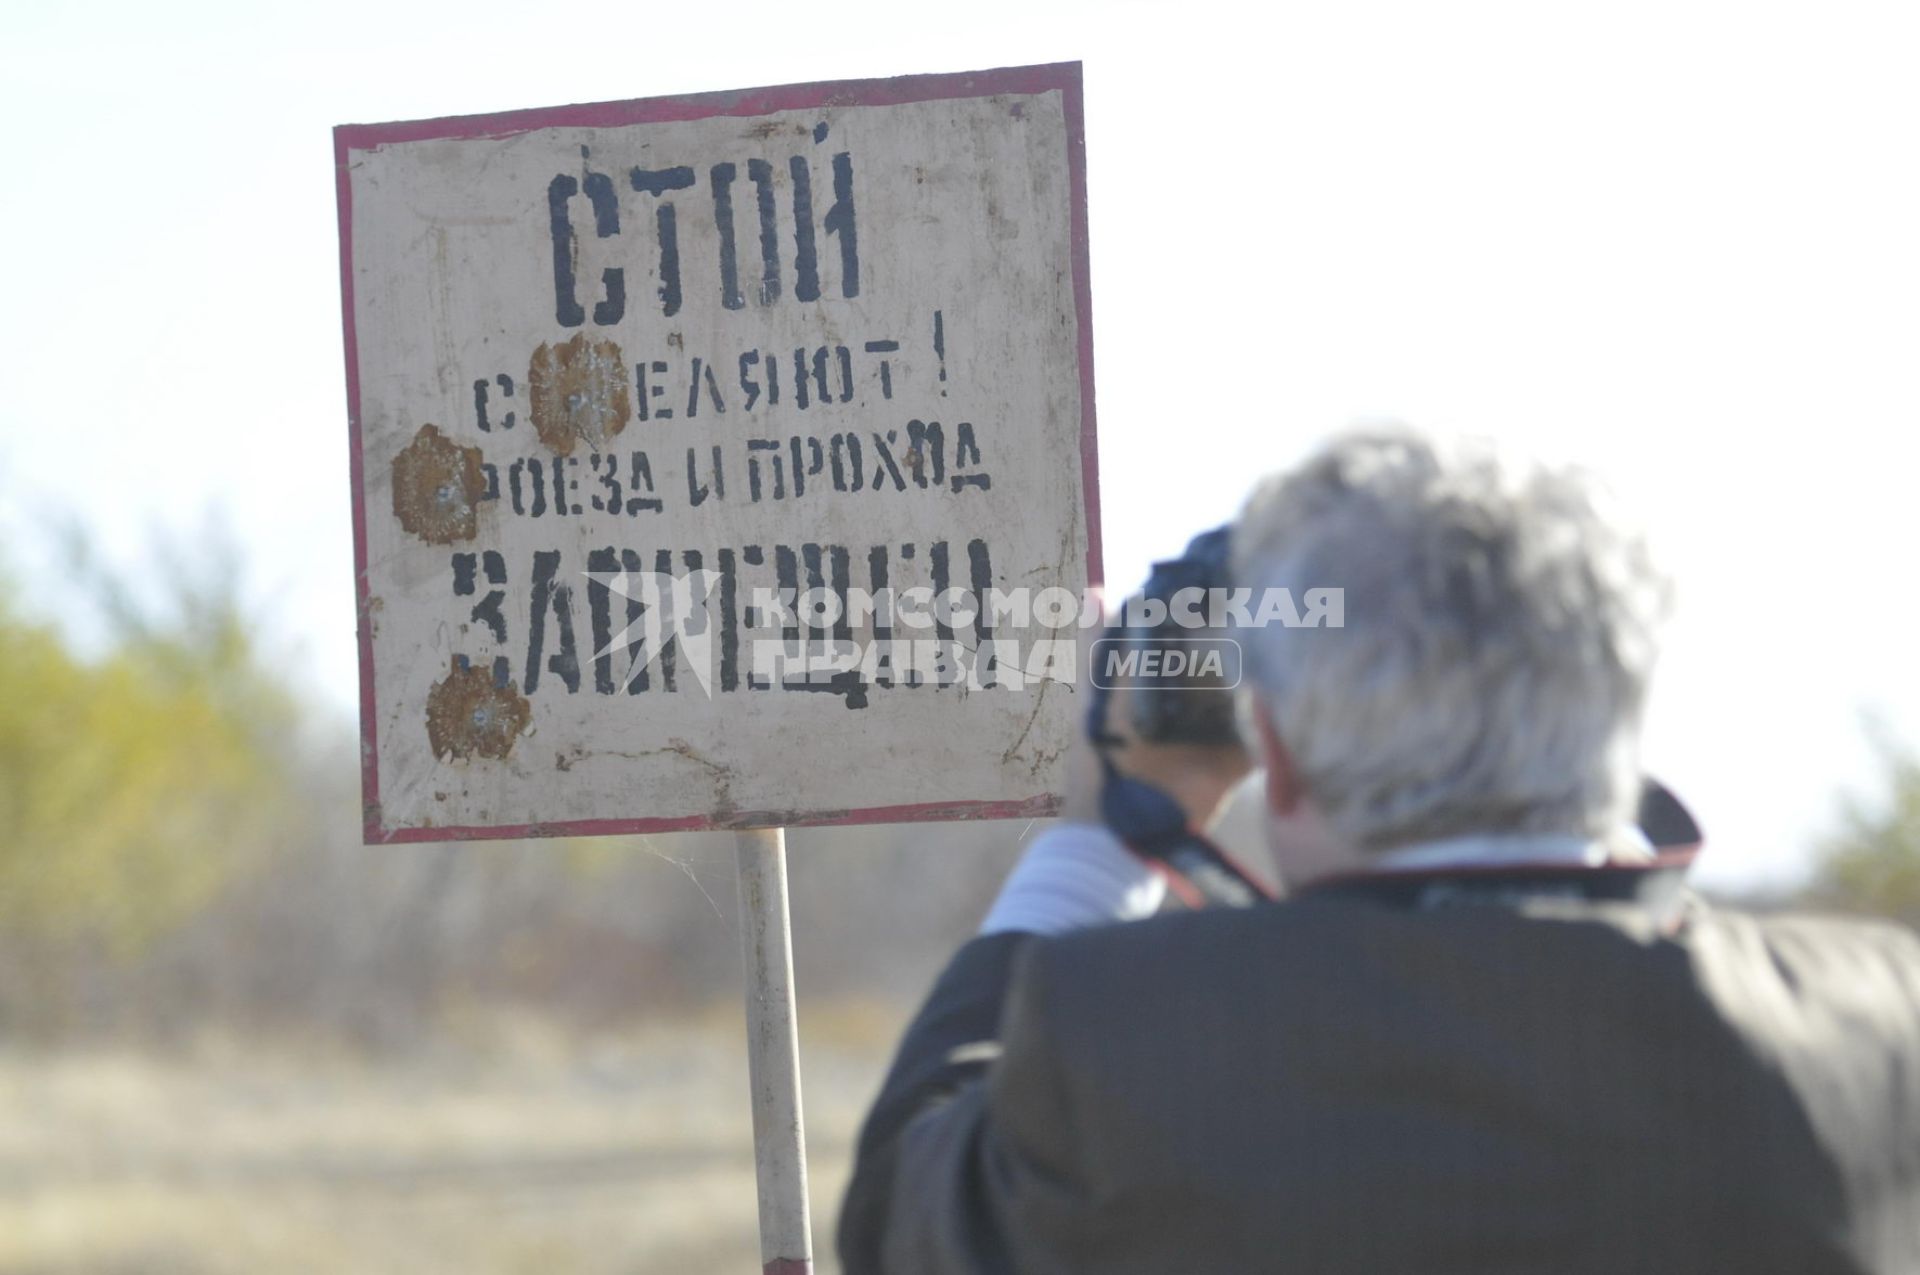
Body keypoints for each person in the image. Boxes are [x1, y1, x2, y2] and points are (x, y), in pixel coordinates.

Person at [838, 430, 1920, 1274]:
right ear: (1622, 724)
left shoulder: (1127, 1037)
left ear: (1289, 771)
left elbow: (906, 1218)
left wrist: (1116, 821)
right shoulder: (1875, 1026)